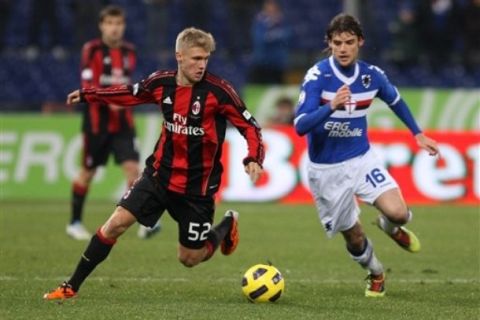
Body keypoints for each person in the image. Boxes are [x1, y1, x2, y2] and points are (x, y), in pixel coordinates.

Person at [43, 27, 264, 300]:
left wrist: (253, 157)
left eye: (206, 59)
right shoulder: (162, 83)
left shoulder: (219, 92)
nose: (202, 65)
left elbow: (251, 126)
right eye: (196, 58)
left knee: (190, 258)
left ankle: (226, 224)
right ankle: (70, 287)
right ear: (179, 56)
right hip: (159, 176)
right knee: (115, 224)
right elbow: (129, 93)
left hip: (197, 190)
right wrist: (90, 94)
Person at [294, 13, 439, 298]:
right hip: (326, 170)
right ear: (329, 44)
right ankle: (376, 273)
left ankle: (390, 226)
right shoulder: (318, 76)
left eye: (349, 42)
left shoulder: (372, 76)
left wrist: (417, 133)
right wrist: (330, 106)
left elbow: (396, 100)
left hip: (361, 159)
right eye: (337, 43)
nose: (343, 48)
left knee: (399, 213)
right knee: (354, 235)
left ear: (360, 42)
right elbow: (300, 125)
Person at [66, 5, 159, 241]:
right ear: (101, 26)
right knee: (88, 171)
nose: (114, 28)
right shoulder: (92, 50)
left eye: (118, 24)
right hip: (97, 123)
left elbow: (129, 85)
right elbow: (87, 84)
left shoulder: (130, 51)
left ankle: (143, 224)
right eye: (109, 23)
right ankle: (74, 222)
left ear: (123, 26)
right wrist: (111, 101)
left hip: (123, 123)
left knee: (133, 170)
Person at [248, 0, 292, 84]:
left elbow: (288, 36)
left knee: (278, 90)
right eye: (269, 6)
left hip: (278, 63)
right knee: (259, 89)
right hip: (262, 62)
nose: (271, 9)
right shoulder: (259, 21)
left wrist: (271, 36)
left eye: (273, 6)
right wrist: (274, 35)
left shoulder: (282, 21)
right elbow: (260, 39)